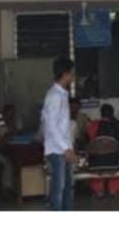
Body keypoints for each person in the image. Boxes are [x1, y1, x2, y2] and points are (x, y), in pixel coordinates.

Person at [41, 57, 77, 211]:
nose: (73, 76)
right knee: (59, 188)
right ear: (65, 74)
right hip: (57, 150)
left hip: (63, 149)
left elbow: (61, 126)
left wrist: (69, 148)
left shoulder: (62, 94)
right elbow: (51, 126)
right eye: (72, 72)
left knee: (67, 187)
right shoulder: (54, 96)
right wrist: (65, 149)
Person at [86, 103, 119, 199]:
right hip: (113, 161)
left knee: (97, 168)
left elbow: (88, 139)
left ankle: (99, 191)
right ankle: (114, 190)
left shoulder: (93, 124)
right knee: (114, 168)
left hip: (95, 162)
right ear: (113, 113)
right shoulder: (117, 124)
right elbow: (118, 139)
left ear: (101, 113)